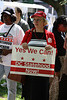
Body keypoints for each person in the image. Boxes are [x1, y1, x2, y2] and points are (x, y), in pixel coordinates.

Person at [21, 11, 57, 100]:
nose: (36, 22)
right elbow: (21, 48)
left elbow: (55, 51)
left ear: (44, 22)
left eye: (38, 20)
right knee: (30, 93)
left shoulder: (50, 35)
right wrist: (23, 45)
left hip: (43, 71)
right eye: (34, 20)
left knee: (42, 93)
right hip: (30, 70)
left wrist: (51, 48)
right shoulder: (28, 33)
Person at [0, 7, 24, 100]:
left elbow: (22, 46)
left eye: (7, 16)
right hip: (0, 61)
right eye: (3, 16)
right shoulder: (1, 27)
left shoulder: (18, 29)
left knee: (11, 88)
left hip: (11, 62)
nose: (4, 18)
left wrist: (9, 51)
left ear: (12, 17)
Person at [49, 15, 67, 100]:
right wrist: (57, 68)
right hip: (57, 62)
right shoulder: (53, 35)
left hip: (63, 61)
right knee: (55, 85)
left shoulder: (62, 33)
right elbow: (54, 53)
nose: (65, 27)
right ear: (59, 25)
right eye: (64, 25)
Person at [15, 7, 30, 99]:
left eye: (15, 12)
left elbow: (27, 36)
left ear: (19, 13)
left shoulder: (24, 24)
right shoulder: (12, 23)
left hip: (22, 50)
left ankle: (21, 82)